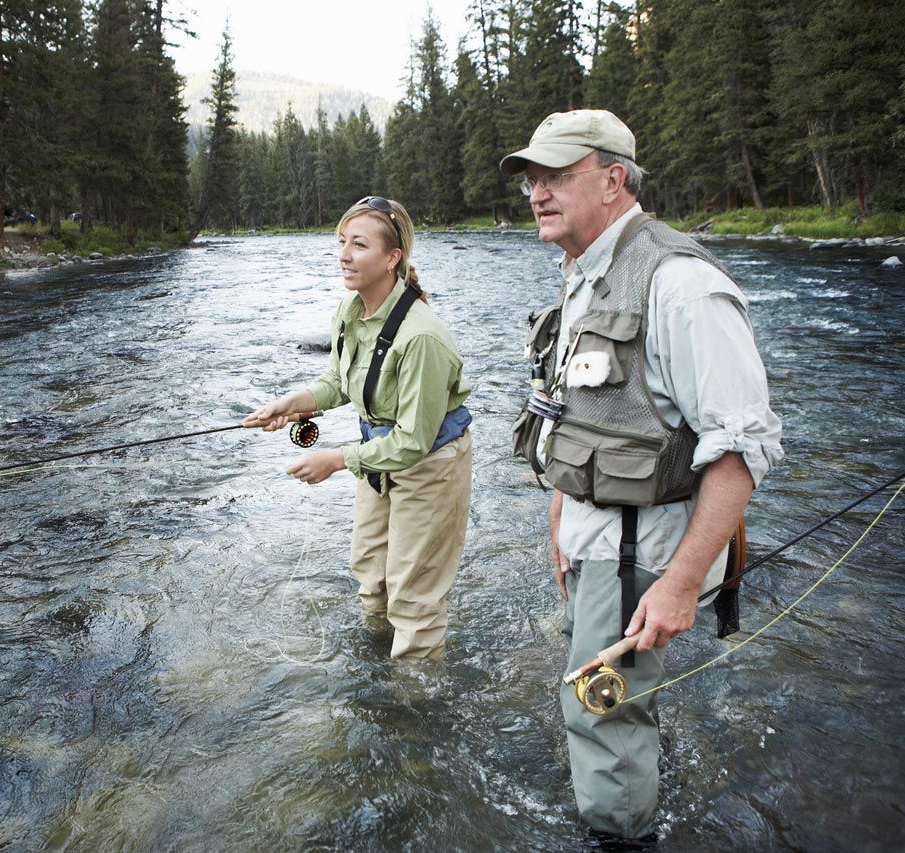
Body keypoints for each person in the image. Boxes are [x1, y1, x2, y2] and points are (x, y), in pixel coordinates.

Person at [503, 110, 784, 841]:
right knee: (605, 699)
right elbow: (584, 412)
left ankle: (621, 834)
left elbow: (741, 448)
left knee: (600, 710)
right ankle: (635, 789)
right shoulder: (582, 272)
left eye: (558, 175)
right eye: (533, 177)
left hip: (643, 549)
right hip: (594, 537)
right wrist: (561, 513)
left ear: (613, 178)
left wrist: (684, 581)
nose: (537, 191)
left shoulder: (680, 282)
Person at [245, 196, 473, 661]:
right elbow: (340, 381)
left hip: (430, 463)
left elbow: (412, 440)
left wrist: (335, 460)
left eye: (360, 245)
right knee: (372, 579)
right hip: (378, 454)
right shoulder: (351, 310)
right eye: (342, 242)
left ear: (393, 259)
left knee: (413, 599)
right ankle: (375, 668)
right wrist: (292, 403)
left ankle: (413, 706)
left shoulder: (421, 337)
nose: (344, 255)